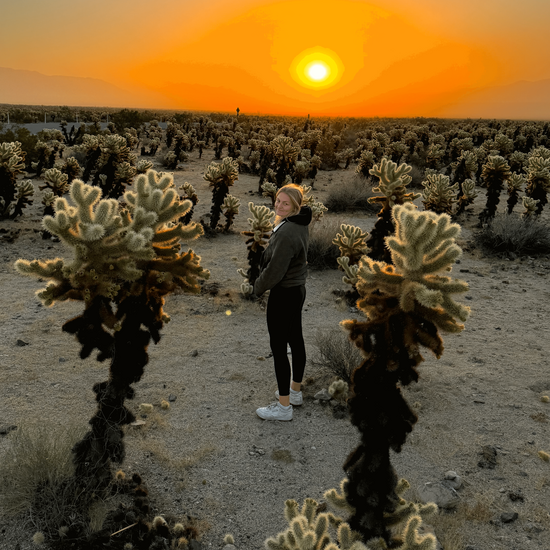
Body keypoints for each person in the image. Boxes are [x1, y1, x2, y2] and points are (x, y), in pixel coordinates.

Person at [254, 184, 312, 421]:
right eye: (278, 200)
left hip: (284, 293)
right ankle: (295, 392)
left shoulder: (288, 232)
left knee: (279, 348)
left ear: (295, 206)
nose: (279, 205)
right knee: (295, 339)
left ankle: (283, 407)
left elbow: (276, 270)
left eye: (285, 203)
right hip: (297, 290)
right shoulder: (297, 224)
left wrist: (257, 287)